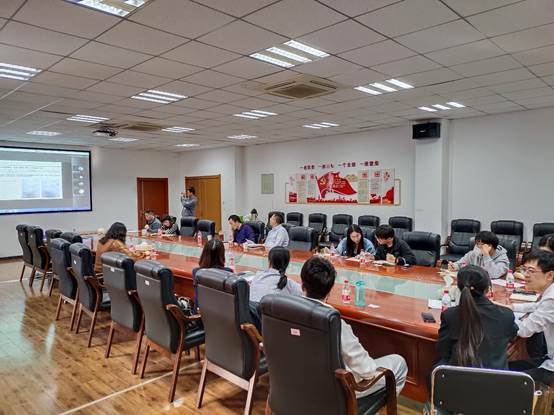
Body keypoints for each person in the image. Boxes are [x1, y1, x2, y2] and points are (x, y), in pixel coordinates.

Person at [300, 256, 407, 399]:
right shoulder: (334, 323)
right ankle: (368, 407)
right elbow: (367, 371)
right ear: (330, 290)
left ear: (302, 285)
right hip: (335, 392)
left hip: (299, 383)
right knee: (399, 362)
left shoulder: (283, 311)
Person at [437, 265, 517, 369]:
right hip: (496, 377)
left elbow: (443, 350)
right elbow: (512, 336)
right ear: (488, 289)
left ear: (459, 288)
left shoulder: (450, 315)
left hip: (458, 376)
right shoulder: (506, 315)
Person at [504, 251, 554, 387]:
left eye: (531, 271)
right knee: (505, 368)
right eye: (524, 270)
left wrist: (501, 318)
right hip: (549, 356)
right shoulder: (550, 293)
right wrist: (510, 307)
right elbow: (537, 306)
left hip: (551, 365)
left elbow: (523, 330)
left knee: (502, 379)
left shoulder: (551, 299)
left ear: (550, 275)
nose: (525, 275)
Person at [191, 239, 232, 313]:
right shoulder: (228, 273)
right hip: (222, 315)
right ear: (222, 255)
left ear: (204, 254)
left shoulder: (196, 272)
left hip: (200, 315)